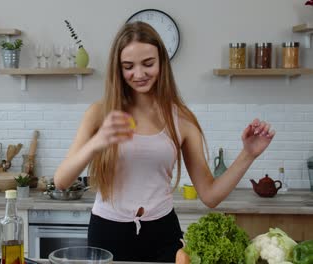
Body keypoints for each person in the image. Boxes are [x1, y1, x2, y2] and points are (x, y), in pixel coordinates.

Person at [53, 21, 275, 263]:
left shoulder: (182, 119)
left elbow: (210, 196)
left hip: (162, 233)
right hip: (108, 232)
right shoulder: (99, 113)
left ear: (162, 63)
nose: (139, 74)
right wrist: (98, 141)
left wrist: (248, 155)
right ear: (118, 69)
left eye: (148, 64)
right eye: (128, 67)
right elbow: (61, 181)